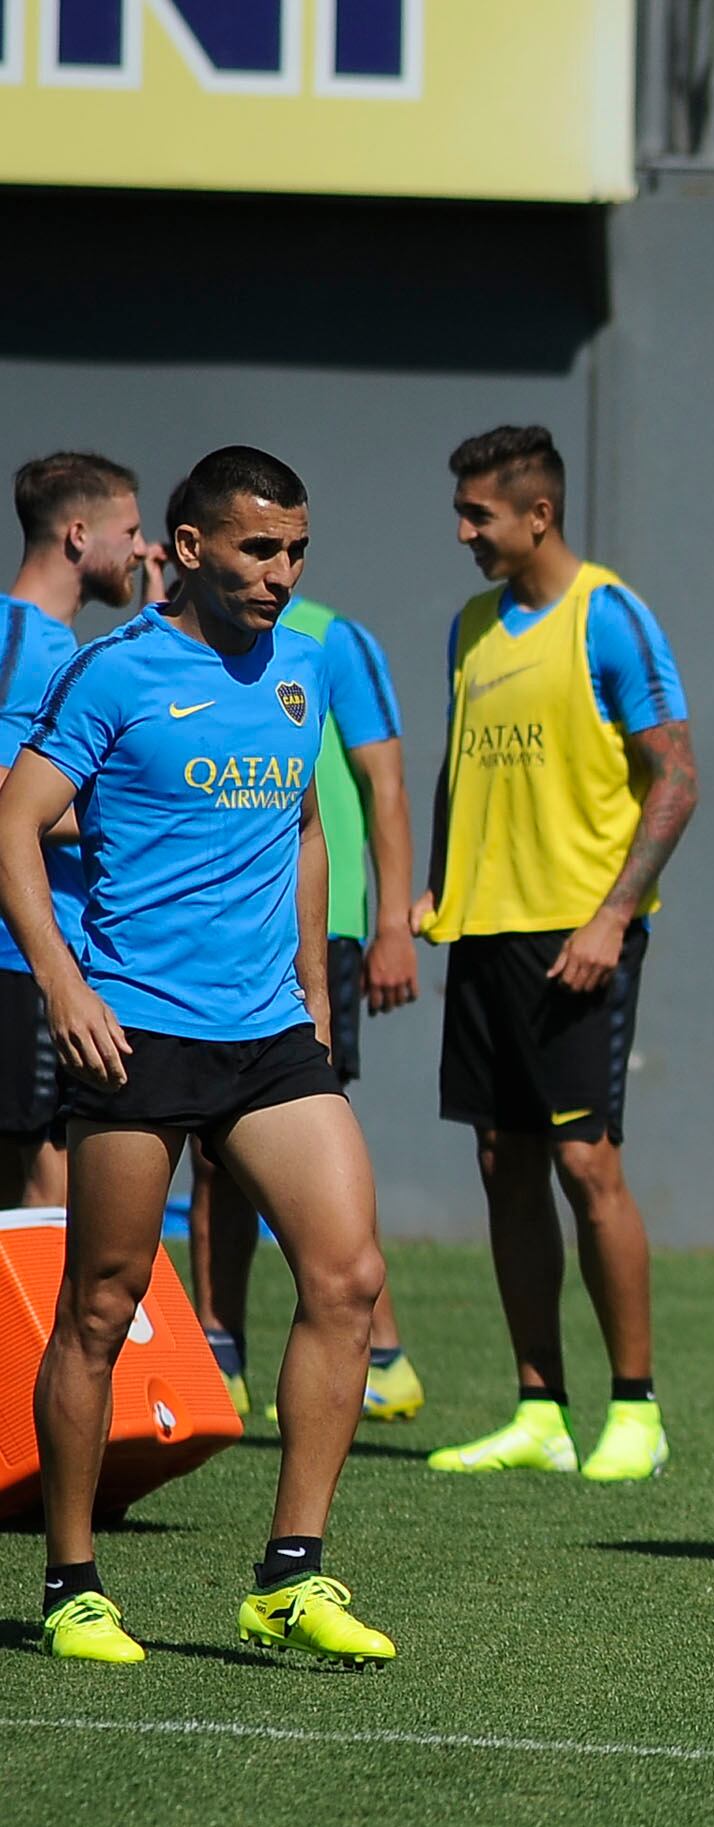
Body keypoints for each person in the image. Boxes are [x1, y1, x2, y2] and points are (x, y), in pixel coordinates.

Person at [6, 446, 397, 1667]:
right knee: (102, 1310)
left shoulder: (307, 664)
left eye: (296, 552)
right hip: (138, 1030)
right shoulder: (113, 671)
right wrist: (65, 988)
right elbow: (13, 827)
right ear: (186, 549)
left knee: (347, 1279)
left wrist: (318, 999)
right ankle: (74, 1582)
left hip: (268, 1031)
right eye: (257, 550)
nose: (282, 575)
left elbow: (300, 828)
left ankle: (290, 1575)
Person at [419, 425, 699, 1483]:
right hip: (486, 933)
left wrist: (611, 918)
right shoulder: (471, 627)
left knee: (588, 1165)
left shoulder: (610, 617)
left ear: (538, 514)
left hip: (578, 933)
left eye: (477, 515)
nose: (463, 533)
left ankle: (636, 1410)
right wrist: (440, 881)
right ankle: (538, 1406)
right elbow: (458, 768)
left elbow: (675, 779)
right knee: (504, 1161)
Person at [190, 594, 427, 1424]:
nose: (277, 566)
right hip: (204, 938)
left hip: (320, 930)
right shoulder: (156, 649)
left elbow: (384, 783)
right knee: (212, 1151)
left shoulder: (331, 640)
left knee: (311, 1136)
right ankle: (221, 1354)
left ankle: (380, 1350)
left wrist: (393, 922)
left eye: (285, 546)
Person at [1, 452, 145, 1209]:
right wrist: (140, 815)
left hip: (50, 957)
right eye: (131, 531)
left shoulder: (66, 647)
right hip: (24, 957)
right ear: (80, 535)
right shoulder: (33, 645)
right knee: (48, 1177)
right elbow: (6, 800)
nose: (142, 550)